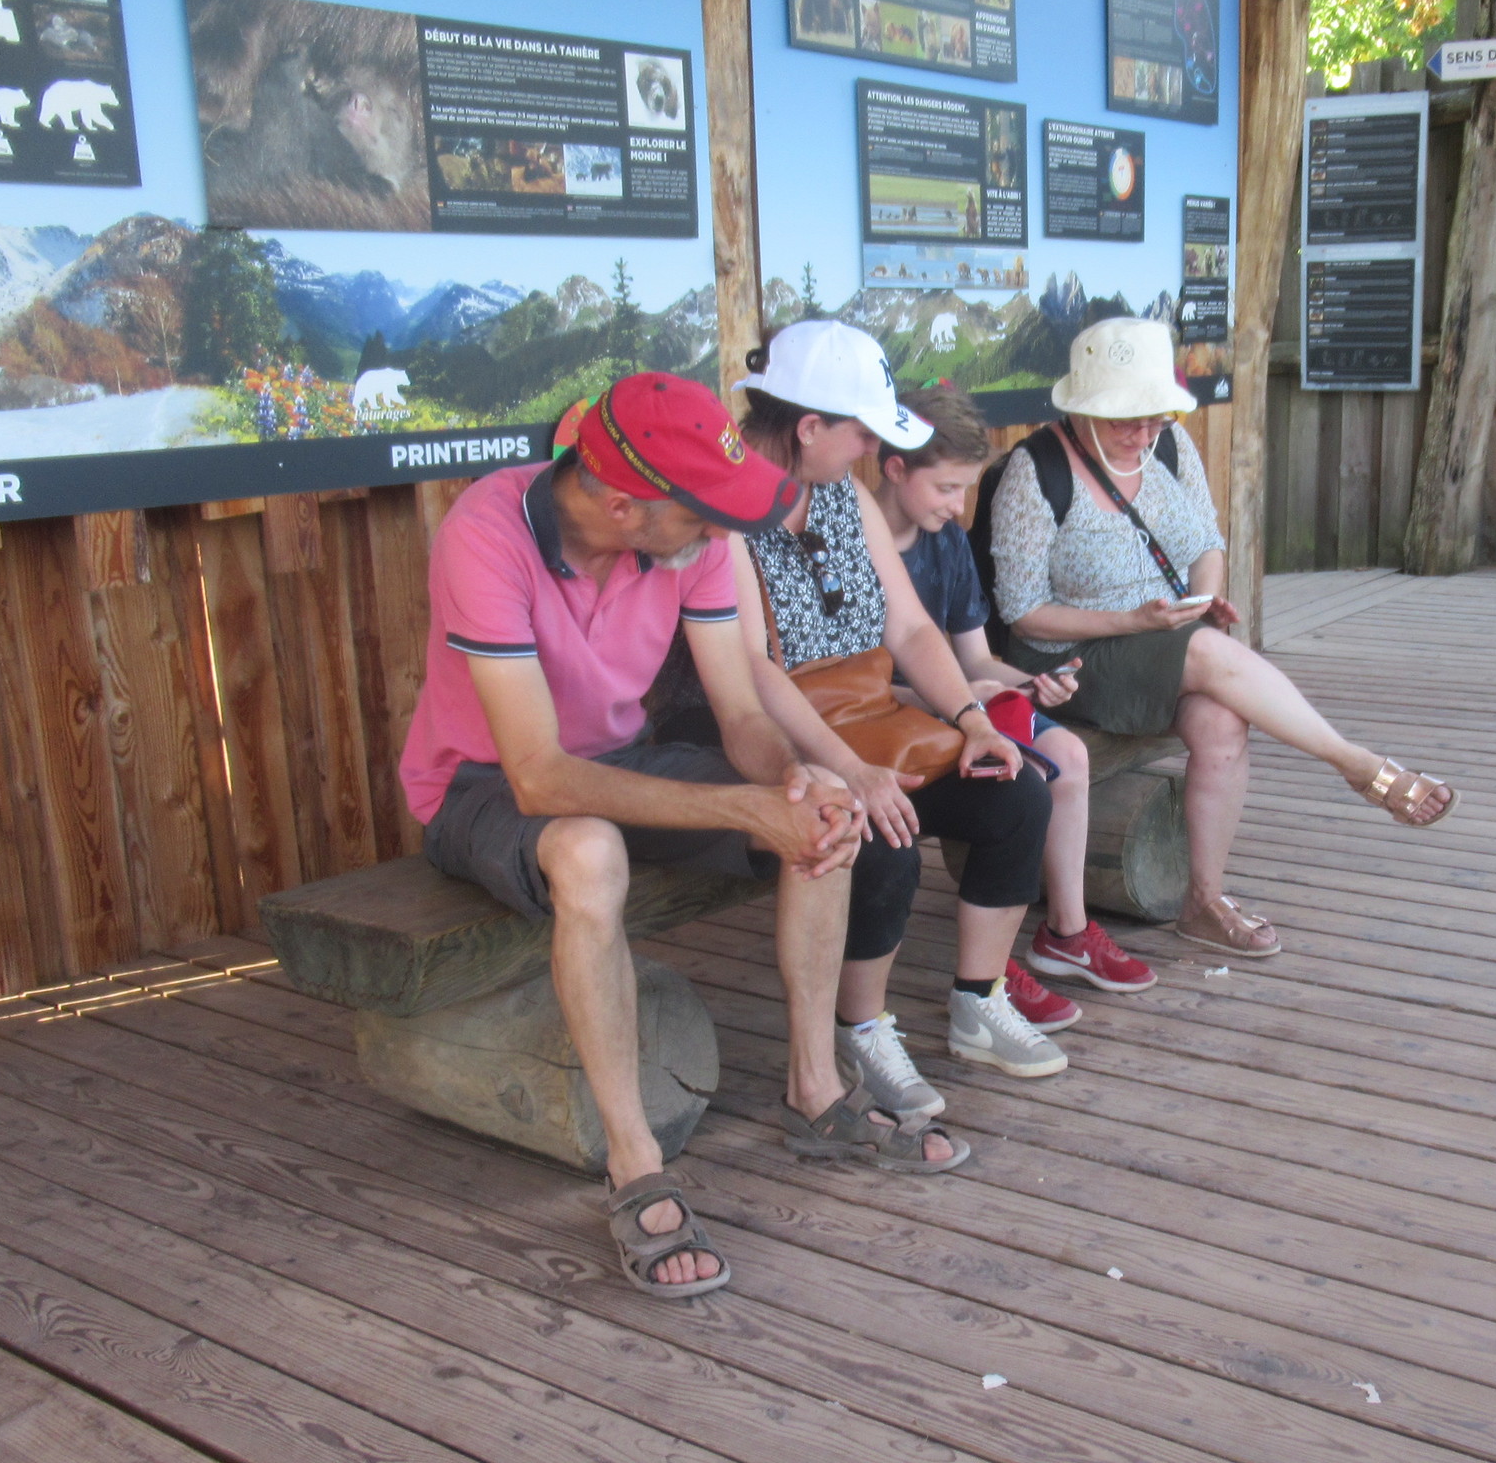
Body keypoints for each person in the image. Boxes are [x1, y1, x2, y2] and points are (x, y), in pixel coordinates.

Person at [401, 372, 873, 1301]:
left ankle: (816, 1089)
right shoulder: (485, 533)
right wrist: (743, 810)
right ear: (623, 506)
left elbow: (741, 712)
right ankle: (635, 1163)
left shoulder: (685, 539)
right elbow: (538, 777)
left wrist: (790, 778)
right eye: (703, 517)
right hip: (479, 786)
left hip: (617, 759)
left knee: (817, 810)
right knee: (588, 851)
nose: (721, 536)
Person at [985, 317, 1456, 959]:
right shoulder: (1035, 469)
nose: (1142, 434)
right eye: (1124, 421)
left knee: (1221, 722)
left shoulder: (1171, 445)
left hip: (1164, 638)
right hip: (1067, 661)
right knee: (1208, 653)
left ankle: (1203, 902)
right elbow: (1024, 614)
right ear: (1084, 407)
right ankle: (1356, 764)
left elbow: (1206, 539)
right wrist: (1138, 623)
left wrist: (1201, 602)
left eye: (1153, 418)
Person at [730, 321, 1063, 1140]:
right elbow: (753, 674)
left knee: (1015, 790)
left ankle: (978, 1000)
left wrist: (973, 721)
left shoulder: (842, 494)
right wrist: (850, 768)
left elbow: (911, 628)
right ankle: (861, 1030)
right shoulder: (725, 508)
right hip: (774, 738)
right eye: (863, 433)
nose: (873, 450)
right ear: (810, 427)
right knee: (879, 834)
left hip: (873, 717)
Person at [869, 384, 1155, 1017]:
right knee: (1015, 780)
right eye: (947, 488)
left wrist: (1026, 683)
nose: (959, 506)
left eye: (966, 488)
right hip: (888, 724)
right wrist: (952, 699)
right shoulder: (851, 545)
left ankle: (1067, 933)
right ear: (894, 469)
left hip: (955, 708)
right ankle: (992, 965)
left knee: (1068, 754)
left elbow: (975, 660)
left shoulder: (945, 541)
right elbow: (846, 689)